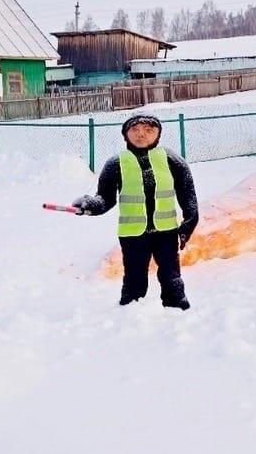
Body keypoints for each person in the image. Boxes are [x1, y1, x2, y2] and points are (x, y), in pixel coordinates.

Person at [73, 114, 198, 309]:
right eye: (135, 130)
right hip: (133, 234)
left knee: (171, 274)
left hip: (166, 231)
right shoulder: (116, 163)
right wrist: (90, 205)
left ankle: (177, 307)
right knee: (134, 276)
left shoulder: (172, 160)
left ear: (158, 134)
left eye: (149, 130)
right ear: (125, 134)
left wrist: (190, 221)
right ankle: (130, 308)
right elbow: (105, 198)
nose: (142, 135)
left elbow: (187, 194)